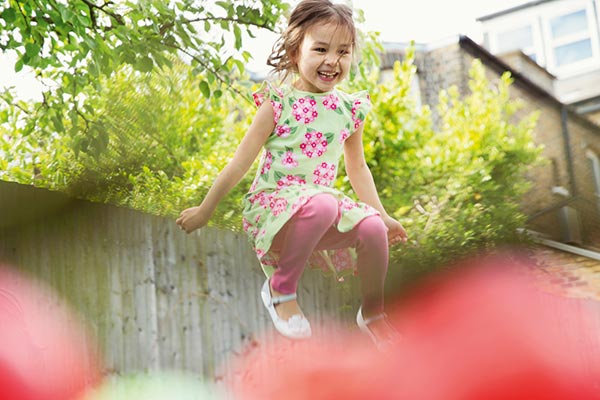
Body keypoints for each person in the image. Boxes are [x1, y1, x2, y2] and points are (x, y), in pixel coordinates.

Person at [176, 0, 407, 348]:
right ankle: (280, 289)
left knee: (372, 226)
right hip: (273, 207)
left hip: (318, 210)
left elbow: (357, 167)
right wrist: (206, 209)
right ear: (295, 50)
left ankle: (373, 313)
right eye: (321, 49)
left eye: (343, 51)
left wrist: (385, 215)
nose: (332, 60)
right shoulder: (278, 103)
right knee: (324, 203)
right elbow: (240, 161)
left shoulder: (349, 109)